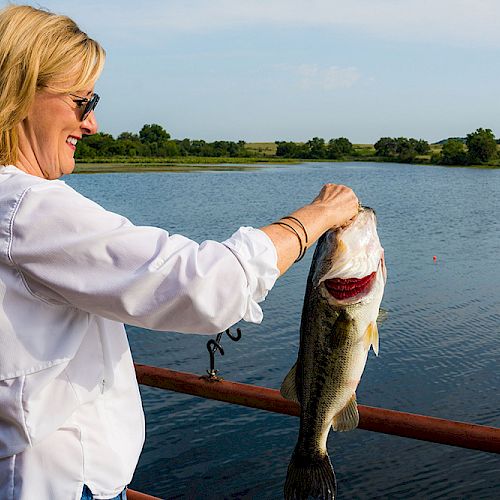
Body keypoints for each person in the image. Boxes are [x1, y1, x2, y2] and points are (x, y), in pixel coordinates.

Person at [0, 5, 359, 500]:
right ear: (19, 94)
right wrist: (316, 216)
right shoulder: (25, 209)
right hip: (56, 485)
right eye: (83, 101)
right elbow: (205, 286)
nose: (92, 124)